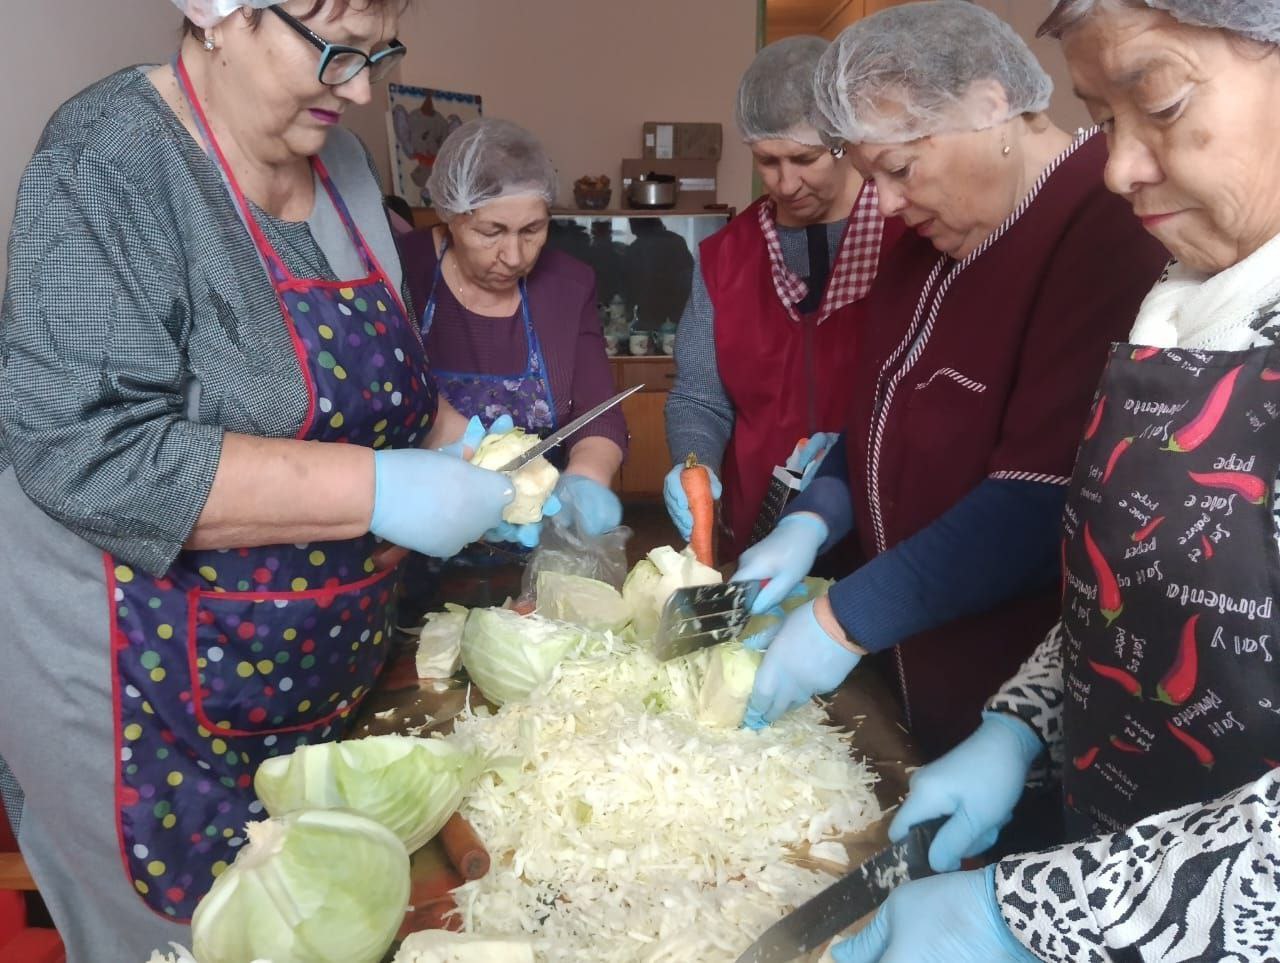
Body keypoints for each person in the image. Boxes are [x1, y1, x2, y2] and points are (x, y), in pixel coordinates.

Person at [0, 1, 526, 958]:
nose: (361, 87)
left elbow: (376, 395)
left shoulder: (346, 164)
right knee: (196, 935)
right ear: (217, 13)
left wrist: (485, 453)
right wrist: (384, 491)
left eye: (377, 53)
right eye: (334, 52)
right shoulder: (108, 162)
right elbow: (95, 456)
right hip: (136, 681)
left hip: (308, 667)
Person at [835, 2, 1280, 961]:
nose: (1120, 167)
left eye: (1158, 101)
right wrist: (1025, 722)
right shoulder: (1190, 303)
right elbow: (1135, 589)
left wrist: (1032, 915)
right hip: (1106, 863)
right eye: (1102, 116)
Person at [737, 1, 1170, 759]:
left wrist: (848, 618)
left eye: (900, 169)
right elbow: (873, 423)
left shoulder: (1104, 232)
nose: (890, 204)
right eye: (873, 177)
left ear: (990, 102)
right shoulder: (921, 244)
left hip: (1016, 706)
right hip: (913, 673)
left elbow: (1042, 502)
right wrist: (813, 518)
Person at [663, 35, 901, 561]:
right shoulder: (725, 256)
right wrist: (694, 461)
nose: (786, 183)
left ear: (846, 141)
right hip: (761, 535)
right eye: (768, 161)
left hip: (885, 532)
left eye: (804, 158)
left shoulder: (906, 236)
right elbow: (699, 397)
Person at [398, 119, 627, 543]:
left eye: (532, 230)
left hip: (533, 536)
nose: (514, 255)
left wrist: (586, 480)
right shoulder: (397, 271)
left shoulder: (568, 286)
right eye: (491, 232)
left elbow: (600, 415)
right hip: (416, 541)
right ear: (450, 214)